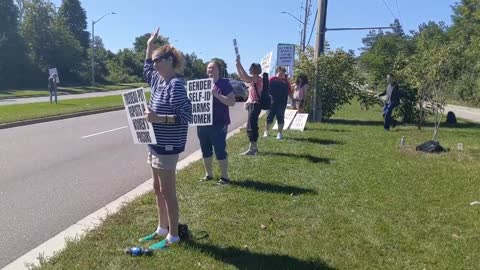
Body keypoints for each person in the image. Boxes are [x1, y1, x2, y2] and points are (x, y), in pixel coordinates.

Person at [140, 28, 192, 246]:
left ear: (170, 60)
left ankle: (174, 235)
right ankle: (161, 228)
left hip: (169, 146)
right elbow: (145, 69)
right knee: (156, 187)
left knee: (168, 190)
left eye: (157, 60)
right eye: (153, 61)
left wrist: (158, 118)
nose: (154, 64)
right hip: (154, 144)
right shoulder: (158, 81)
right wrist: (149, 46)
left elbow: (186, 115)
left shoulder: (175, 85)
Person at [198, 60, 236, 185]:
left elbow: (231, 102)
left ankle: (224, 177)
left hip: (219, 122)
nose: (210, 70)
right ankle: (208, 174)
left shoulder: (224, 84)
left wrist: (216, 94)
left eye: (213, 68)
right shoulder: (202, 84)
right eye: (208, 68)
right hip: (203, 122)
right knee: (205, 149)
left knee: (220, 149)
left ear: (219, 70)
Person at [236, 59, 263, 155]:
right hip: (253, 105)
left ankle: (252, 149)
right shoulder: (254, 80)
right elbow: (243, 77)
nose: (249, 69)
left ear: (254, 70)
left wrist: (240, 64)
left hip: (255, 105)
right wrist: (238, 66)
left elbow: (246, 77)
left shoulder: (257, 79)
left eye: (250, 68)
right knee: (252, 126)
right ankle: (254, 148)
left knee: (251, 126)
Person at [263, 66, 291, 140]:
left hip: (282, 102)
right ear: (278, 71)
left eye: (284, 73)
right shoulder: (272, 79)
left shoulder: (286, 81)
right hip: (272, 102)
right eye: (282, 72)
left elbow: (289, 91)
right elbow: (266, 90)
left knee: (280, 117)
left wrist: (293, 100)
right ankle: (266, 131)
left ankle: (279, 133)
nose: (283, 74)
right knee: (269, 118)